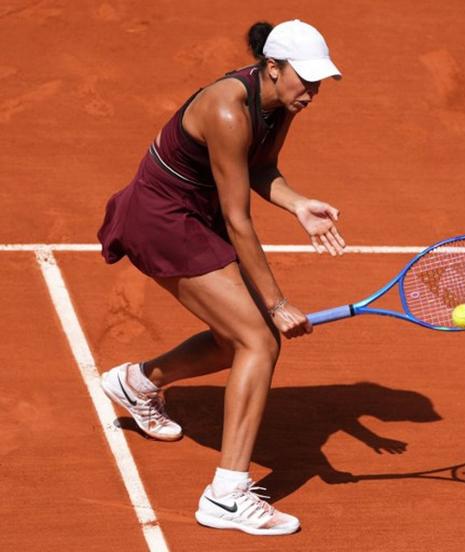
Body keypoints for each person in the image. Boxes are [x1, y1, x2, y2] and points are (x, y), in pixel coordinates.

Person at [96, 19, 345, 536]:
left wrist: (298, 204)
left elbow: (259, 169)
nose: (313, 92)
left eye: (320, 81)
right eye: (306, 78)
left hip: (192, 213)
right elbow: (238, 221)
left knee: (238, 340)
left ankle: (137, 383)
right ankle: (226, 496)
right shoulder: (228, 110)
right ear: (272, 68)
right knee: (259, 339)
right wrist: (277, 304)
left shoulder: (278, 103)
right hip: (163, 220)